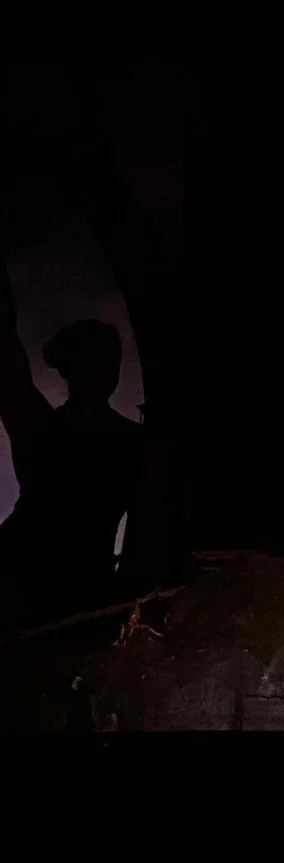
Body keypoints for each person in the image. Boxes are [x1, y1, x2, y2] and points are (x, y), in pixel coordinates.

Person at [0, 270, 143, 630]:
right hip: (73, 593)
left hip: (33, 590)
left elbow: (7, 360)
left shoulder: (44, 430)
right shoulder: (132, 444)